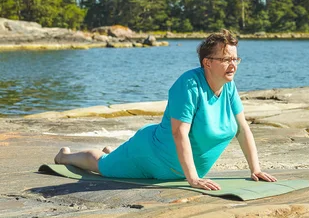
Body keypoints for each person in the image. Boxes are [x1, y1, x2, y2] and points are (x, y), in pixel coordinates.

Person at [54, 29, 276, 190]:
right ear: (207, 63)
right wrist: (193, 179)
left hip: (175, 167)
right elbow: (180, 133)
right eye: (226, 59)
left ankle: (118, 154)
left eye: (236, 59)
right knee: (102, 165)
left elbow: (242, 129)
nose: (233, 64)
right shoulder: (187, 85)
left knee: (118, 160)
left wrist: (255, 169)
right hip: (152, 155)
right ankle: (66, 156)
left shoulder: (229, 87)